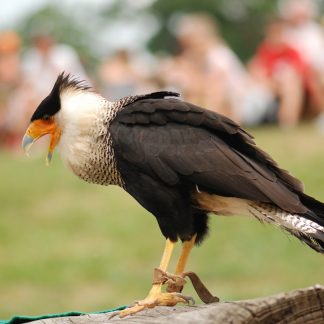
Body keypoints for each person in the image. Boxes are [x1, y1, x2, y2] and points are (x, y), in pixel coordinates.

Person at [250, 18, 310, 127]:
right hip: (270, 87)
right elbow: (258, 71)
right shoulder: (264, 50)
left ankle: (287, 122)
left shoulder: (292, 51)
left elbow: (298, 73)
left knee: (290, 85)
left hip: (289, 87)